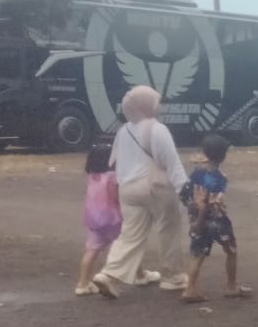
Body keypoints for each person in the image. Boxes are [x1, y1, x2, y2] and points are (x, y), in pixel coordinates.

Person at [91, 86, 191, 299]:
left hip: (127, 189)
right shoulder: (158, 129)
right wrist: (186, 191)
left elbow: (116, 161)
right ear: (147, 105)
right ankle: (172, 277)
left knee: (130, 235)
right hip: (155, 187)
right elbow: (172, 163)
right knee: (169, 229)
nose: (159, 106)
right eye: (156, 102)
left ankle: (109, 274)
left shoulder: (123, 131)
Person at [179, 133, 251, 302]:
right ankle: (232, 286)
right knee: (231, 250)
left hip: (196, 219)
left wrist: (194, 219)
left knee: (198, 255)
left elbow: (184, 194)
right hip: (216, 221)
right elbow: (211, 203)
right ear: (223, 156)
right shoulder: (220, 178)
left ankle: (190, 289)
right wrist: (200, 220)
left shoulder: (196, 173)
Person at [76, 143, 121, 297]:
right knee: (124, 245)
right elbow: (115, 197)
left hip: (94, 219)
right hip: (112, 218)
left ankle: (82, 283)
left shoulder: (93, 176)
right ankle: (134, 274)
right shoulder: (112, 177)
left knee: (92, 250)